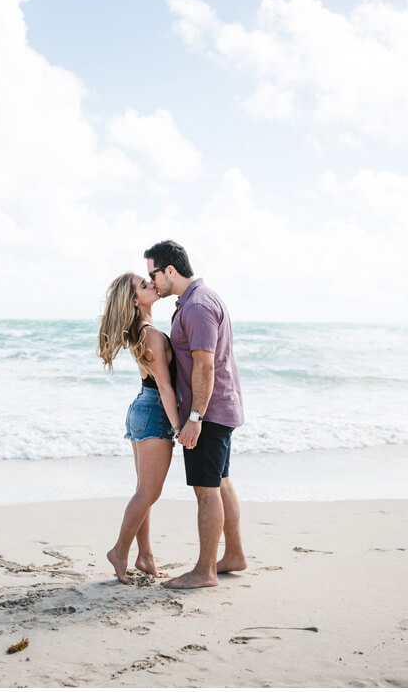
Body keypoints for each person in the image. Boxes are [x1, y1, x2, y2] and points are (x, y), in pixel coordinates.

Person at [144, 240, 247, 589]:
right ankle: (233, 555)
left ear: (170, 270)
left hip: (209, 412)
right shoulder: (197, 300)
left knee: (206, 491)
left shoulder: (198, 306)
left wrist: (195, 417)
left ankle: (205, 571)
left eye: (153, 274)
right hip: (220, 408)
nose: (153, 282)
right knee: (220, 483)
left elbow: (204, 367)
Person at [98, 272, 181, 583]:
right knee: (149, 492)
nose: (152, 285)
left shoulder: (143, 331)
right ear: (135, 300)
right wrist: (180, 428)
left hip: (143, 408)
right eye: (144, 286)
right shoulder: (150, 335)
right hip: (154, 410)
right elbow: (165, 386)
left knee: (144, 492)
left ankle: (145, 556)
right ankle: (119, 551)